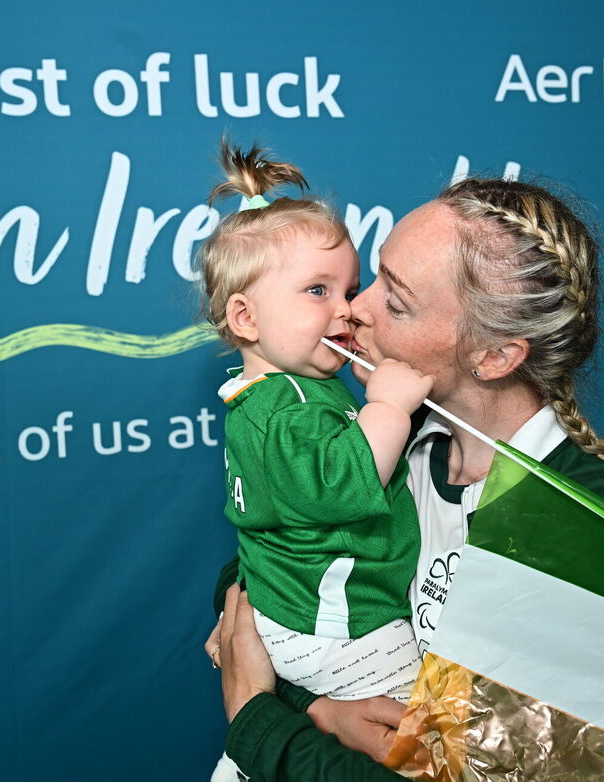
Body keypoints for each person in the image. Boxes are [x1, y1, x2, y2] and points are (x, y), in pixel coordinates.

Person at [209, 176, 604, 781]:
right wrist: (318, 709)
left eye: (395, 300)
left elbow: (488, 773)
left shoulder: (589, 526)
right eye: (374, 278)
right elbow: (259, 575)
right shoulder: (391, 433)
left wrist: (257, 717)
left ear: (494, 357)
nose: (352, 310)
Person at [198, 141, 435, 780]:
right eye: (317, 290)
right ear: (246, 318)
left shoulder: (281, 393)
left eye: (349, 289)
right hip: (344, 632)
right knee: (426, 743)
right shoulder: (289, 405)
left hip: (300, 620)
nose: (346, 309)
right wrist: (387, 406)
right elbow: (343, 486)